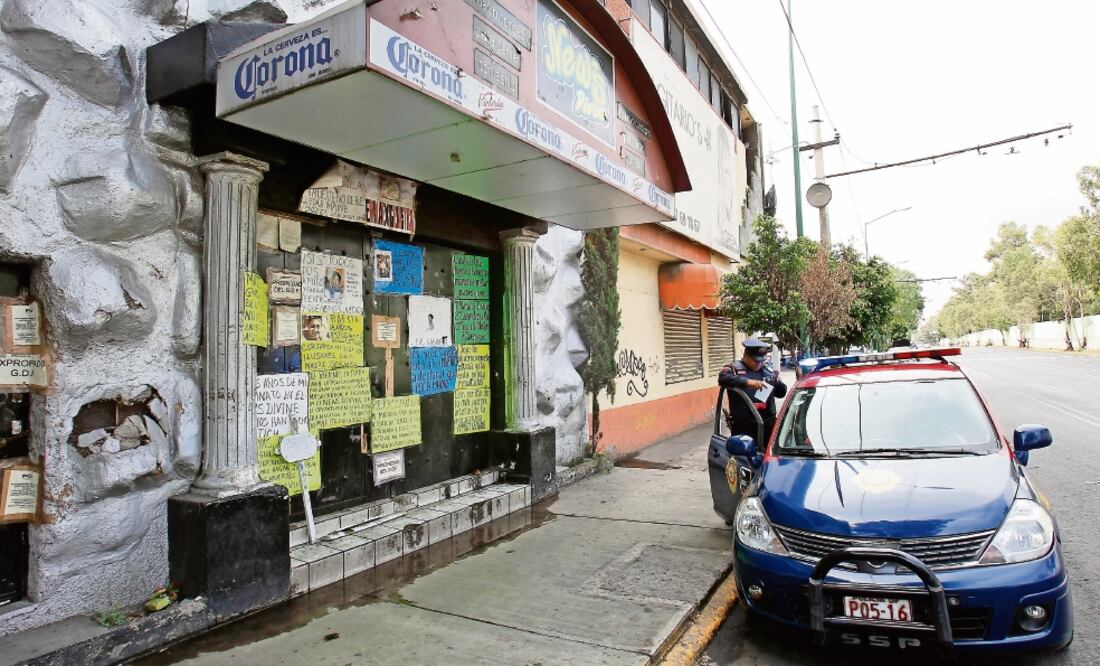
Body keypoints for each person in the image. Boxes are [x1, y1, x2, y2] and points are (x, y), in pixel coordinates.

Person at [718, 338, 788, 442]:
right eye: (756, 360)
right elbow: (723, 378)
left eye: (762, 360)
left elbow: (780, 394)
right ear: (746, 355)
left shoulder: (768, 370)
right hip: (744, 426)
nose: (759, 363)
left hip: (768, 424)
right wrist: (748, 382)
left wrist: (779, 382)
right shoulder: (734, 369)